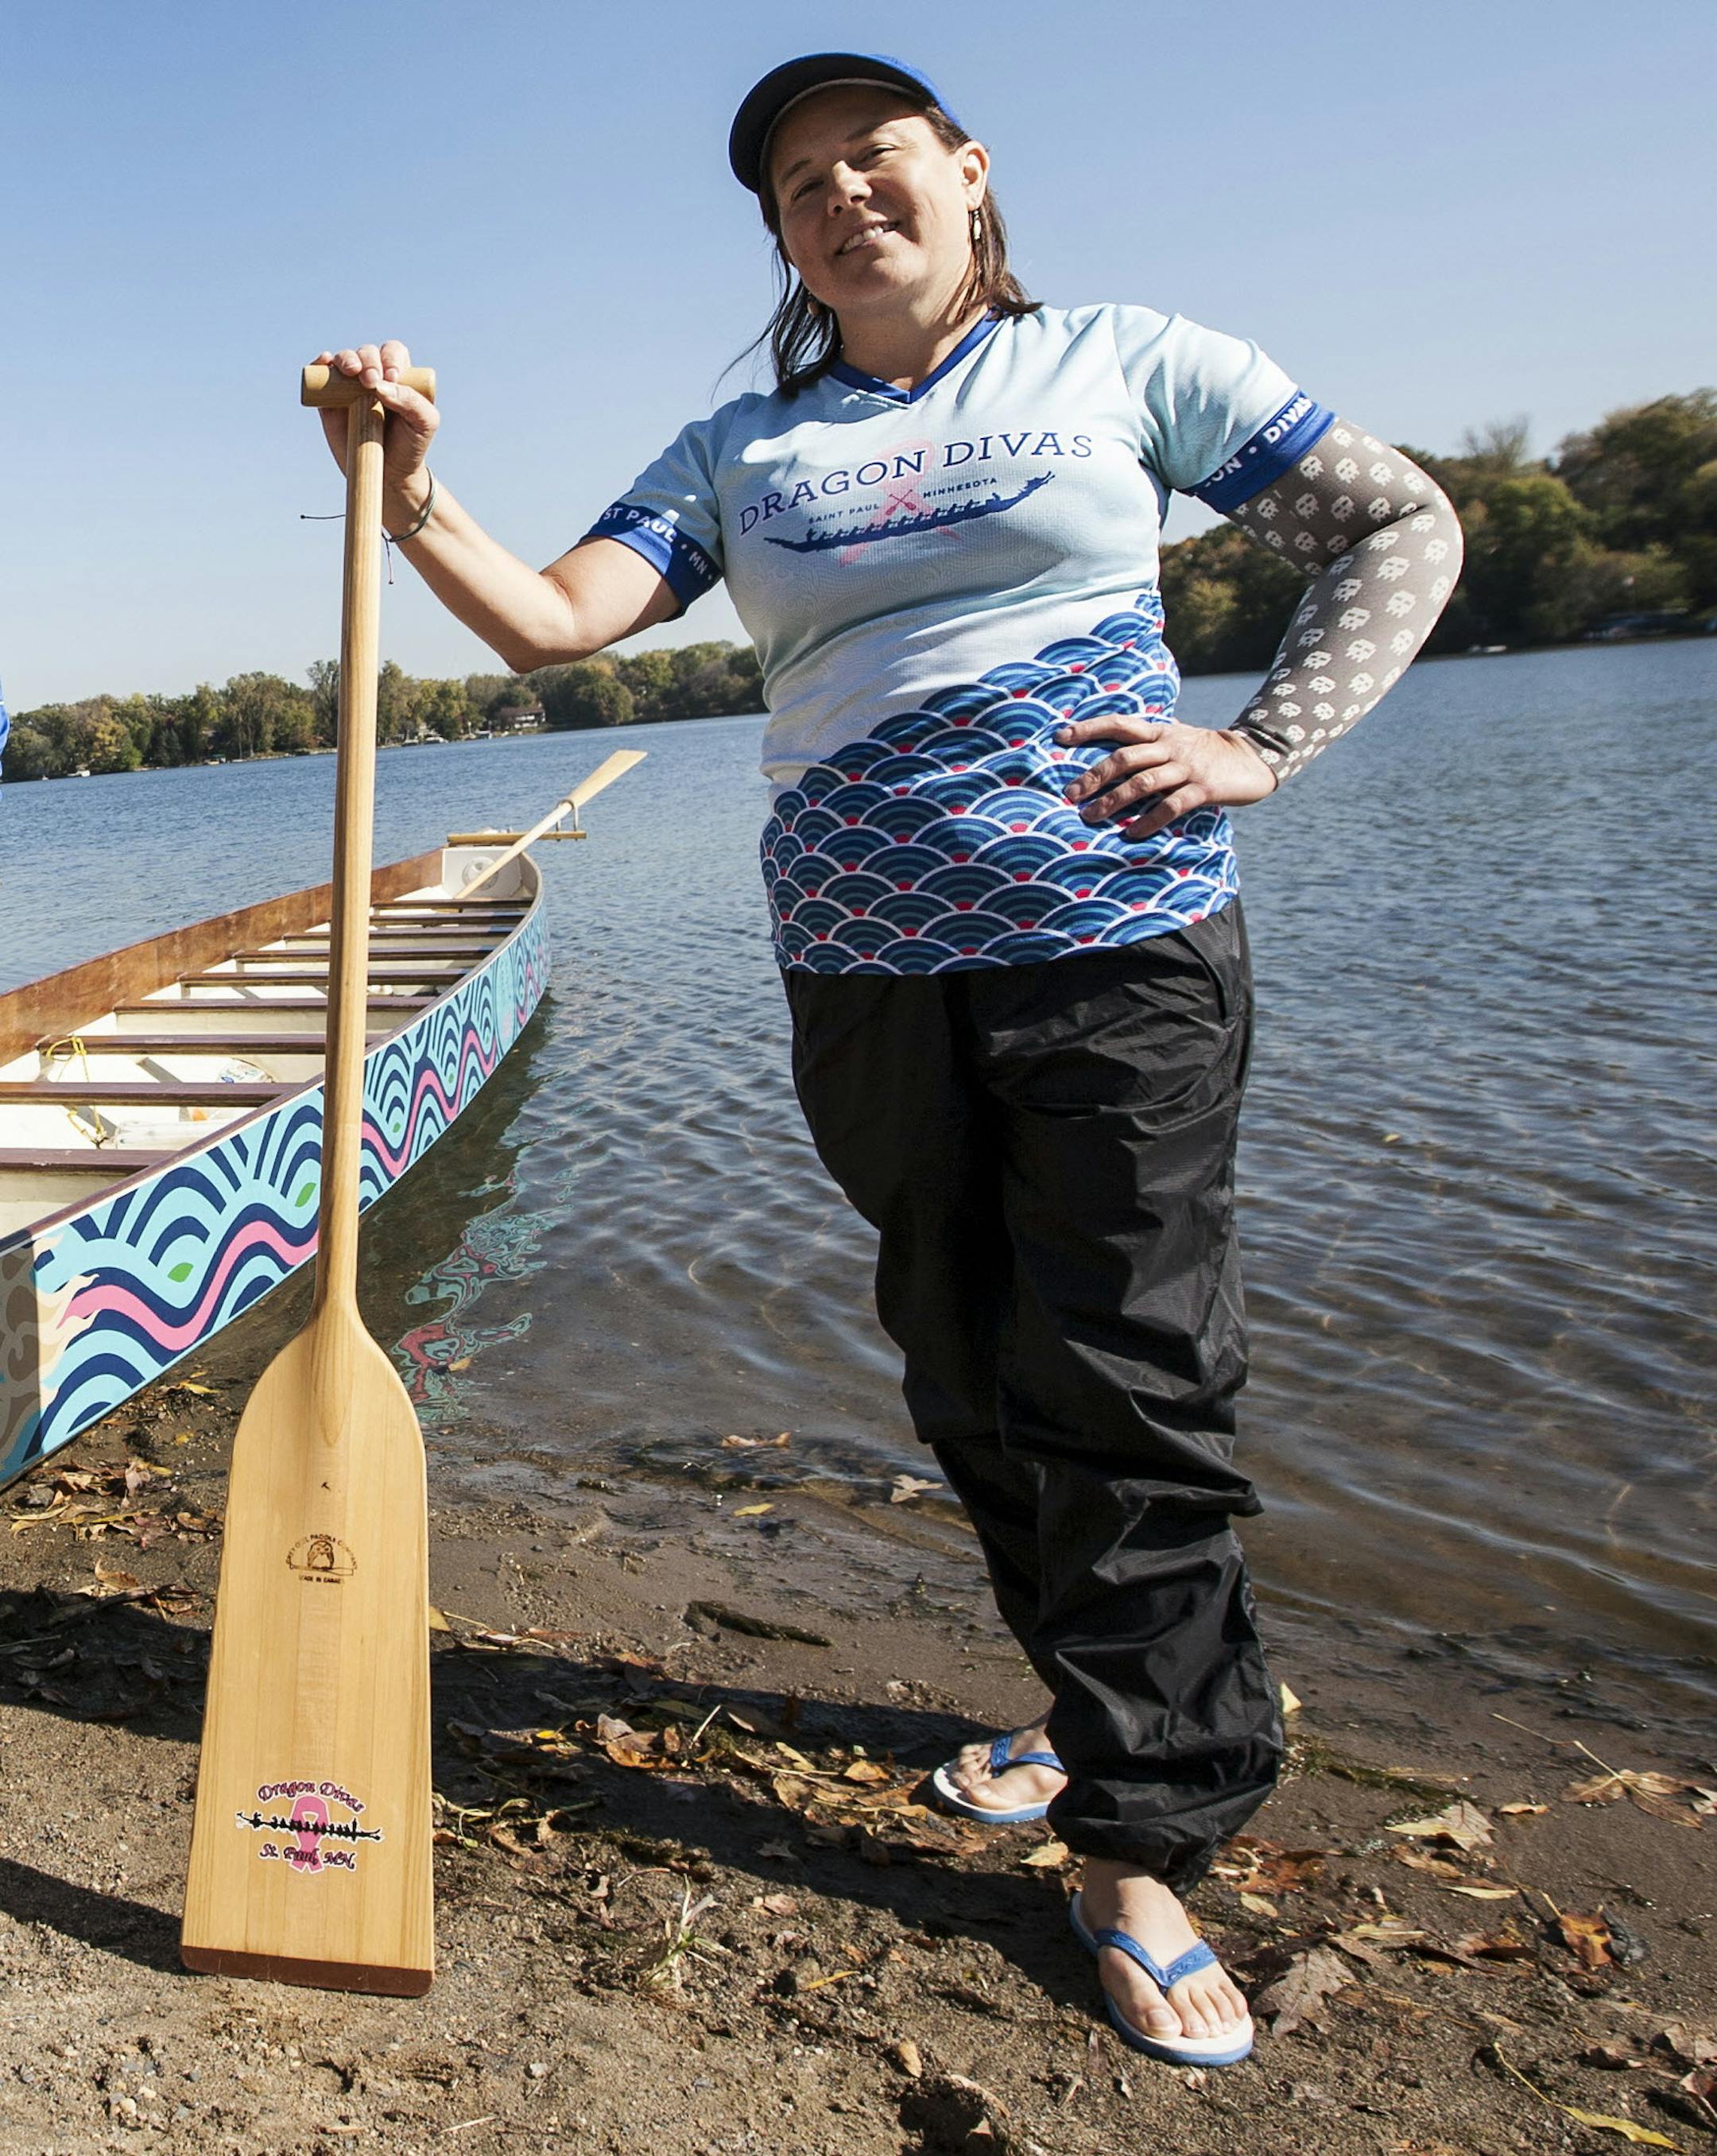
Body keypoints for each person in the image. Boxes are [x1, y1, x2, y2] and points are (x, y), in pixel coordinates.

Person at [312, 49, 1461, 2067]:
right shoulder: (741, 447)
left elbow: (1397, 524)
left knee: (1127, 1366)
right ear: (778, 238)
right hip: (861, 968)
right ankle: (1089, 1697)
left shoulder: (1126, 360)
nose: (843, 194)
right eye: (799, 182)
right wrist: (413, 498)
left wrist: (1258, 747)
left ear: (968, 172)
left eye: (877, 156)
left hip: (1114, 946)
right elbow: (554, 625)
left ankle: (1142, 1834)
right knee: (966, 1350)